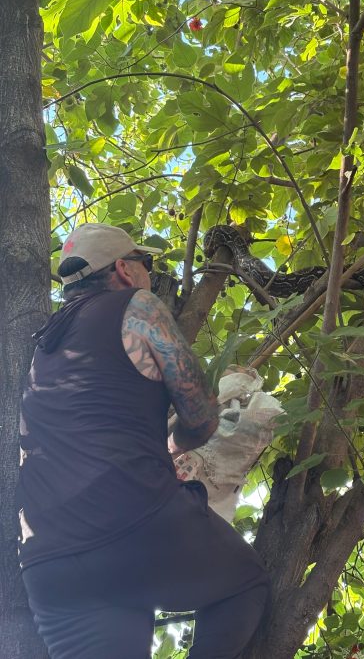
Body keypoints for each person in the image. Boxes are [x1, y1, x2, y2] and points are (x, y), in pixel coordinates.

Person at [17, 223, 269, 658]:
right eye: (146, 263)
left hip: (49, 560)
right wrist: (177, 441)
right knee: (244, 584)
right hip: (129, 520)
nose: (151, 274)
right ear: (124, 270)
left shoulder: (43, 344)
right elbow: (202, 418)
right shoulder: (138, 306)